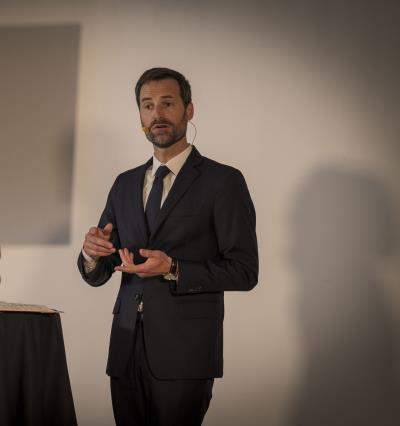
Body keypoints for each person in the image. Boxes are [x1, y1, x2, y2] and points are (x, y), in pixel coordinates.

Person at [78, 68, 258, 425]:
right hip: (126, 347)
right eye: (147, 106)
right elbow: (100, 270)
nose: (156, 114)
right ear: (140, 116)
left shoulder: (223, 181)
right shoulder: (124, 184)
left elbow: (245, 271)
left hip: (186, 351)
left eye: (167, 103)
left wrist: (173, 268)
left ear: (189, 110)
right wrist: (90, 252)